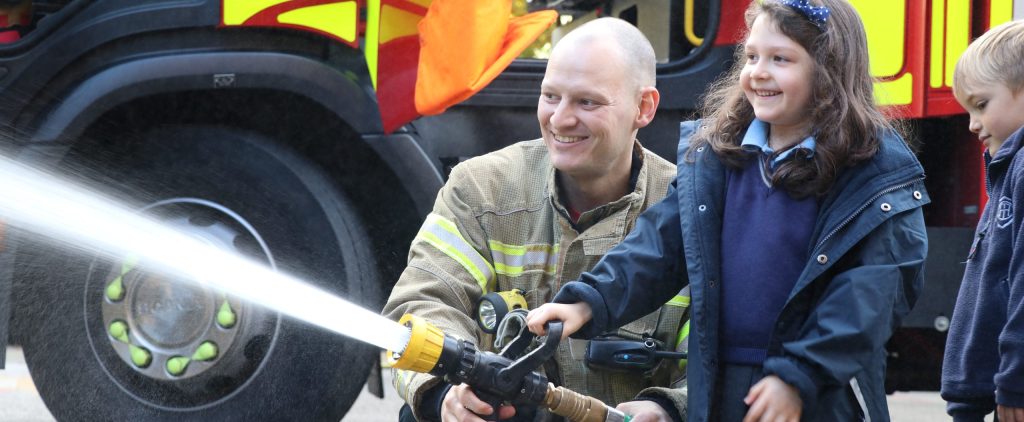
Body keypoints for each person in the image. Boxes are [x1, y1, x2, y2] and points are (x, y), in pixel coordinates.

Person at [526, 1, 929, 421]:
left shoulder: (872, 174)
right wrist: (588, 302)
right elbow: (658, 247)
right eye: (752, 56)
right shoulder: (720, 158)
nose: (758, 71)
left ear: (828, 70)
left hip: (821, 392)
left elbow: (869, 298)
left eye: (780, 59)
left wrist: (798, 375)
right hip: (720, 385)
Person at [382, 17, 688, 422]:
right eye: (550, 96)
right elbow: (422, 302)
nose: (560, 119)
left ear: (643, 107)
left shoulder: (688, 210)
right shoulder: (481, 189)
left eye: (587, 102)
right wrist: (445, 395)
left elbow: (724, 352)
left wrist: (670, 407)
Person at [940, 20, 1024, 422]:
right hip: (989, 390)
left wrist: (1015, 380)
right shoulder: (1007, 169)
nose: (972, 123)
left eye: (981, 104)